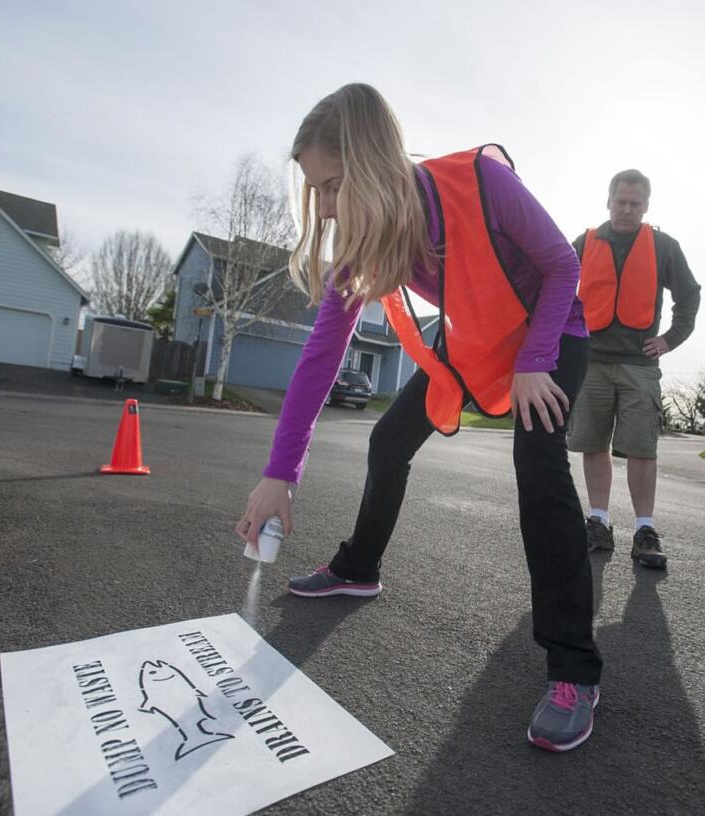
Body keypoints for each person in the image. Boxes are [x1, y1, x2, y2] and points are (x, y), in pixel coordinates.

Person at [235, 84, 601, 752]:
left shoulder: (482, 181)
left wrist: (536, 359)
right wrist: (278, 474)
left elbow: (561, 264)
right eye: (315, 190)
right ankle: (359, 567)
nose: (325, 206)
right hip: (472, 337)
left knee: (538, 467)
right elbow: (320, 359)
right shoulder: (364, 246)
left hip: (550, 336)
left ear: (374, 162)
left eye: (334, 185)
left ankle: (575, 667)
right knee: (389, 440)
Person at [567, 170, 701, 570]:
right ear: (608, 201)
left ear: (645, 206)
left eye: (635, 204)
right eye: (621, 202)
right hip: (590, 362)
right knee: (593, 444)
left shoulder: (663, 246)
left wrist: (670, 339)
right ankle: (599, 521)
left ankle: (645, 530)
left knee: (642, 448)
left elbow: (689, 296)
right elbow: (555, 285)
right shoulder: (584, 242)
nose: (627, 209)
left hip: (640, 365)